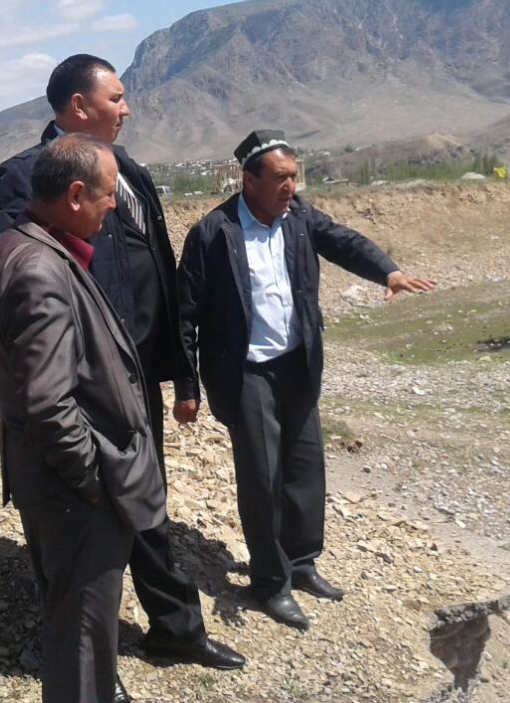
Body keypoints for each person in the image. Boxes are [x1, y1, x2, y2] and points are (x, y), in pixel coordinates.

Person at [0, 55, 243, 673]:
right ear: (78, 106)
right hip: (77, 389)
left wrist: (181, 371)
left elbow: (163, 276)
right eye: (115, 98)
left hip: (135, 378)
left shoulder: (129, 174)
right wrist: (56, 364)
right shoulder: (25, 176)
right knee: (81, 524)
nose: (127, 108)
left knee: (146, 502)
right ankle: (92, 664)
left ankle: (175, 628)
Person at [176, 130, 436, 630]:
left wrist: (388, 272)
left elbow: (343, 241)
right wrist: (187, 389)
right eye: (280, 178)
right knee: (263, 479)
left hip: (296, 364)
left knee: (304, 469)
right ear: (249, 179)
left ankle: (301, 563)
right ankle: (269, 582)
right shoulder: (214, 232)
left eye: (294, 177)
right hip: (246, 373)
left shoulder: (298, 218)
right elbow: (185, 314)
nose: (290, 187)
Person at [0, 134, 167, 703]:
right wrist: (91, 480)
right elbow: (48, 403)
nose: (113, 206)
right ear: (77, 193)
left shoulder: (20, 244)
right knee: (84, 645)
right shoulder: (41, 269)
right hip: (74, 497)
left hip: (57, 486)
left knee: (73, 631)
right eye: (108, 194)